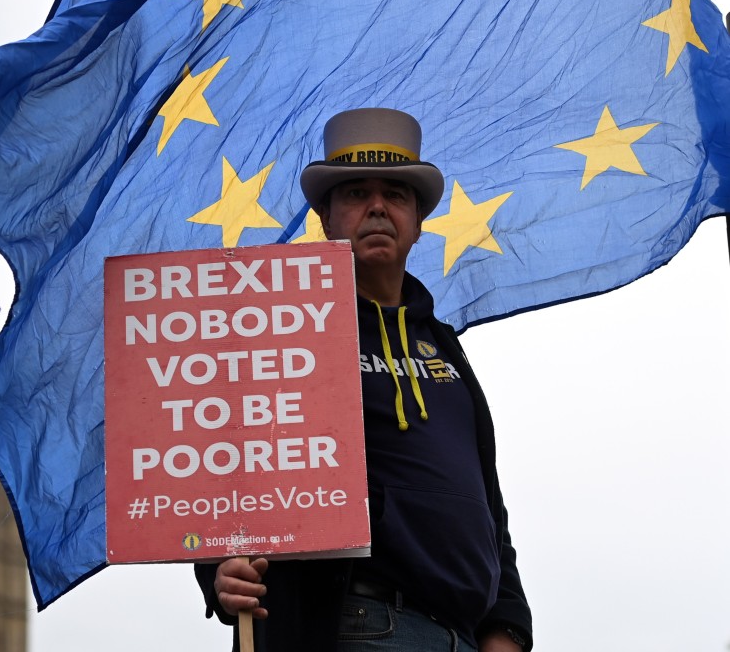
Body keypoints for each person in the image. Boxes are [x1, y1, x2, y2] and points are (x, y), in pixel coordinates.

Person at [194, 108, 533, 652]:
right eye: (355, 193)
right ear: (325, 217)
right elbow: (224, 464)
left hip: (462, 637)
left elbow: (484, 502)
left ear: (419, 221)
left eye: (396, 194)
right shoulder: (282, 329)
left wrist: (508, 628)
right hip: (354, 625)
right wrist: (218, 566)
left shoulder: (446, 348)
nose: (377, 206)